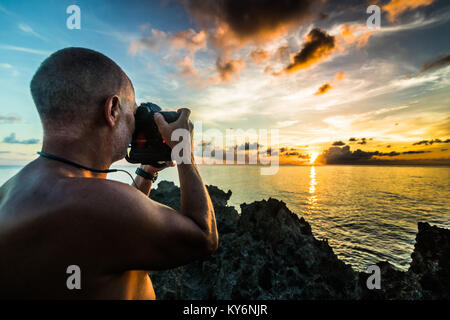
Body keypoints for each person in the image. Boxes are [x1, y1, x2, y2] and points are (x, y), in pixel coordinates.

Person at [0, 47, 218, 299]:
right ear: (113, 109)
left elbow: (115, 229)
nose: (135, 123)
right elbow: (203, 236)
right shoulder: (99, 204)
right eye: (132, 111)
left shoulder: (10, 191)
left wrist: (146, 172)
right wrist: (184, 152)